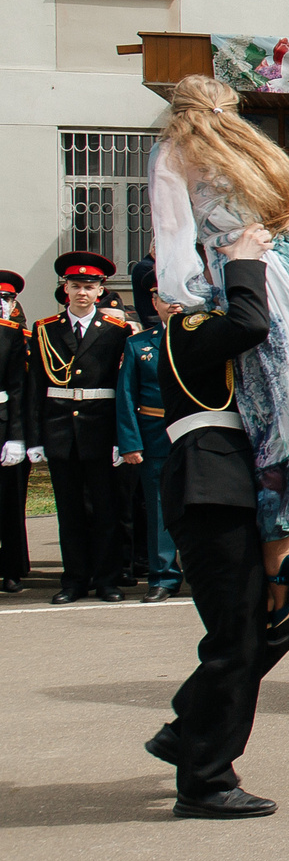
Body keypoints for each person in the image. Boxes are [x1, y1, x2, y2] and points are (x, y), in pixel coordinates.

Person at [143, 223, 289, 817]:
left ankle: (187, 731)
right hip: (210, 484)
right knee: (236, 638)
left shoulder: (207, 324)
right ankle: (205, 781)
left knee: (274, 627)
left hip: (241, 483)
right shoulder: (185, 324)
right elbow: (250, 323)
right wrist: (243, 260)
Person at [36, 252, 136, 601]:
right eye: (75, 286)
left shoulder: (116, 331)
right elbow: (37, 387)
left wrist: (122, 438)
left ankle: (107, 579)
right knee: (70, 511)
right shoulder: (45, 330)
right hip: (60, 430)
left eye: (89, 286)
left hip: (102, 428)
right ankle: (74, 580)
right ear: (65, 289)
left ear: (100, 291)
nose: (82, 292)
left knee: (107, 508)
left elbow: (124, 388)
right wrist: (35, 438)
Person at [113, 292, 185, 602]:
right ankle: (163, 577)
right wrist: (130, 442)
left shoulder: (206, 336)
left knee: (202, 507)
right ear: (153, 303)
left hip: (198, 433)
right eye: (163, 297)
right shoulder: (138, 343)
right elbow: (126, 395)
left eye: (177, 296)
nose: (173, 303)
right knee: (158, 509)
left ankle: (204, 574)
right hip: (155, 434)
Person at [0, 271, 28, 593]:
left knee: (10, 503)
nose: (1, 304)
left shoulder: (16, 336)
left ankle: (11, 570)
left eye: (6, 298)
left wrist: (18, 436)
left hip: (4, 424)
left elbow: (21, 390)